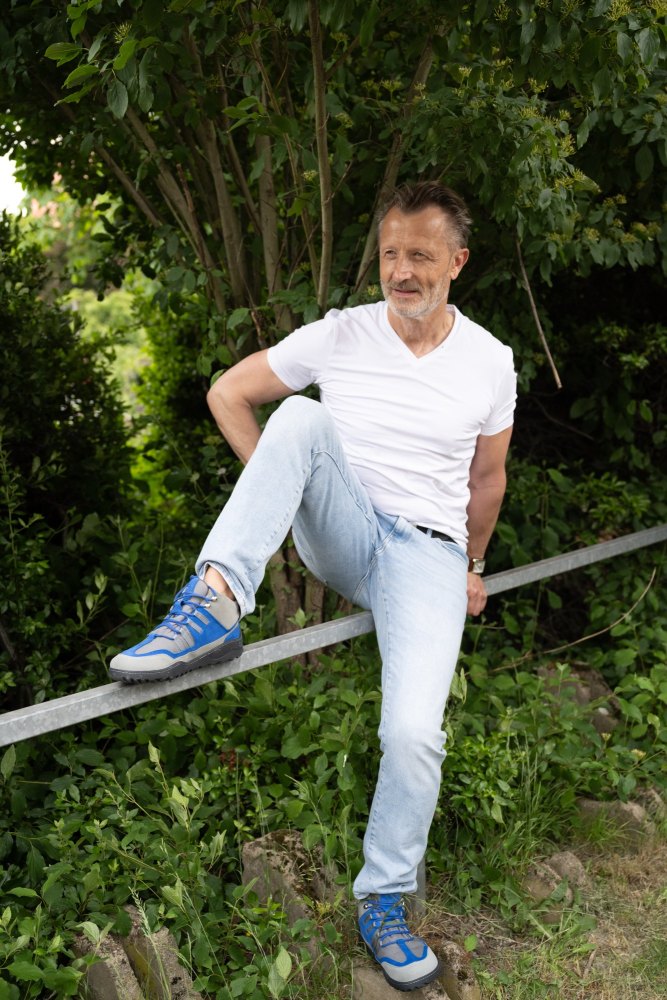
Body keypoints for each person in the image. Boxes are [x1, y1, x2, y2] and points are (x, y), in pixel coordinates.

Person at [109, 181, 516, 992]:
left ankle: (383, 902)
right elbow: (227, 393)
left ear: (456, 262)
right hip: (345, 528)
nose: (400, 271)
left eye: (420, 255)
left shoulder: (490, 360)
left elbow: (487, 479)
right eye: (390, 254)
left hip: (428, 557)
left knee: (414, 735)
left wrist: (472, 567)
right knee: (297, 419)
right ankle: (215, 603)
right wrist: (281, 484)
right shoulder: (340, 333)